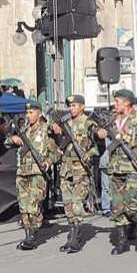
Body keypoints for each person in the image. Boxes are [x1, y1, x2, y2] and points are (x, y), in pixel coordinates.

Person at [97, 89, 137, 255]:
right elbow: (97, 130)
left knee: (133, 206)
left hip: (133, 169)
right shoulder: (113, 121)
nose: (115, 105)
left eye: (117, 102)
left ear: (127, 103)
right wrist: (99, 132)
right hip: (115, 169)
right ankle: (121, 241)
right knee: (117, 206)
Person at [6, 100, 60, 250]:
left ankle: (33, 236)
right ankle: (27, 233)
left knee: (34, 204)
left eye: (31, 112)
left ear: (39, 113)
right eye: (27, 112)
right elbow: (6, 142)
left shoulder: (45, 130)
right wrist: (13, 139)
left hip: (37, 172)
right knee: (23, 205)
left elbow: (56, 153)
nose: (28, 115)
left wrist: (49, 162)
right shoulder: (24, 129)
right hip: (22, 172)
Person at [50, 95, 99, 253]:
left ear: (82, 107)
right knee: (68, 204)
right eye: (70, 106)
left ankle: (76, 237)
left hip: (81, 171)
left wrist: (89, 153)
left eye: (74, 105)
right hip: (66, 169)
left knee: (77, 203)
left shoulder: (88, 123)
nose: (71, 108)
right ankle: (72, 233)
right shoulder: (66, 123)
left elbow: (96, 147)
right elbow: (57, 139)